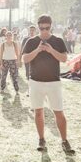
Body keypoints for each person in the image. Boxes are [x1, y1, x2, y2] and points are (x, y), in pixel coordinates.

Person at [22, 14, 75, 154]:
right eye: (42, 28)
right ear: (38, 27)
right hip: (36, 81)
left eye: (47, 28)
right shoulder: (31, 41)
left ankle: (64, 140)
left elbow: (64, 59)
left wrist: (51, 50)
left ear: (51, 26)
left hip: (53, 82)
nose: (44, 31)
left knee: (59, 112)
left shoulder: (58, 40)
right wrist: (38, 50)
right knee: (38, 112)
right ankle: (41, 139)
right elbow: (24, 59)